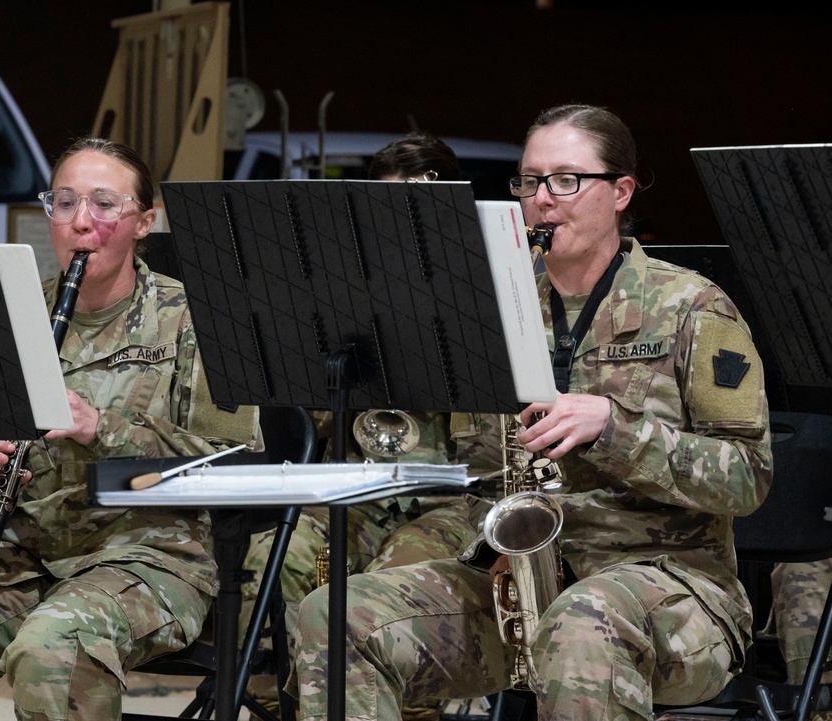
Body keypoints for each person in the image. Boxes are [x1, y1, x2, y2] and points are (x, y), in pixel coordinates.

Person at [290, 104, 773, 721]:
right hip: (520, 584)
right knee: (337, 617)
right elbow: (479, 465)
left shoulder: (694, 308)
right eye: (529, 181)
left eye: (567, 180)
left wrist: (614, 428)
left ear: (620, 191)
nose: (544, 200)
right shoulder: (494, 308)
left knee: (582, 624)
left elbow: (748, 478)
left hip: (677, 592)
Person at [0, 137, 262, 721]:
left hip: (147, 557)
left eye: (104, 204)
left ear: (145, 221)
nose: (81, 222)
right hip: (21, 554)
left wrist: (105, 428)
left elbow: (232, 462)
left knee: (51, 653)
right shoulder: (4, 319)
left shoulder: (199, 319)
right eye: (64, 203)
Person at [238, 131, 480, 721]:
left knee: (396, 583)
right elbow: (306, 404)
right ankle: (297, 705)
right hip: (352, 483)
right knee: (274, 561)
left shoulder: (485, 286)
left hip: (445, 496)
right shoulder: (344, 289)